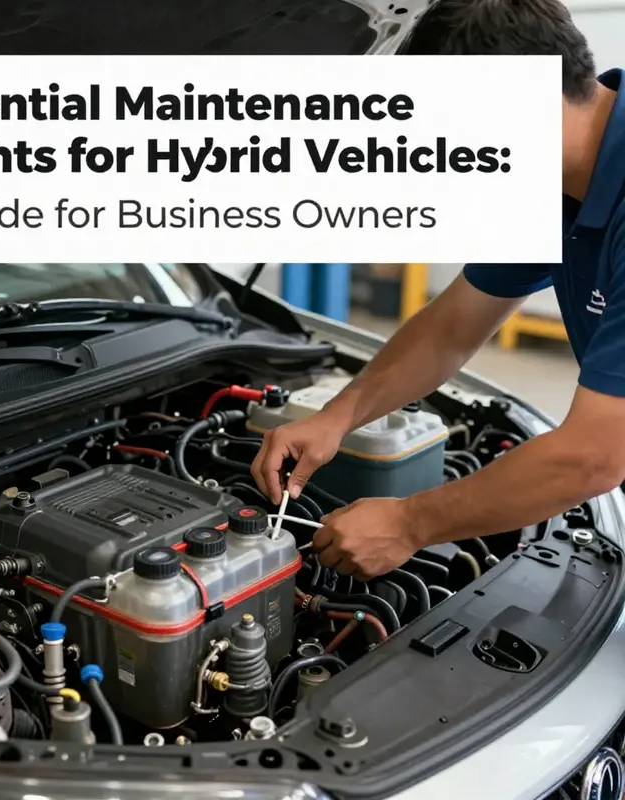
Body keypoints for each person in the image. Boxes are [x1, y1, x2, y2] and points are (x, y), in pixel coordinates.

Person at [251, 0, 625, 581]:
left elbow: (594, 455)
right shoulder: (552, 185)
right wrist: (336, 417)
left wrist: (409, 524)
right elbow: (450, 329)